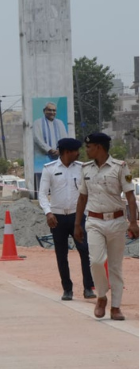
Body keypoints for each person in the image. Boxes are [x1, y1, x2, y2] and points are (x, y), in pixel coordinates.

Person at [74, 133, 138, 321]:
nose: (86, 150)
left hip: (117, 222)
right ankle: (101, 297)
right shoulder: (85, 169)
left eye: (89, 147)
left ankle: (116, 307)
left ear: (99, 147)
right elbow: (82, 197)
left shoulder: (120, 167)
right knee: (95, 261)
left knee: (115, 266)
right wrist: (77, 224)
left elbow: (130, 196)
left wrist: (133, 222)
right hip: (94, 221)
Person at [38, 138, 95, 301]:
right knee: (61, 255)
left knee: (85, 250)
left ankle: (88, 287)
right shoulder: (49, 169)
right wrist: (48, 213)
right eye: (75, 151)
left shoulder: (82, 168)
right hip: (57, 218)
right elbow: (42, 194)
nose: (78, 153)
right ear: (67, 152)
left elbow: (88, 192)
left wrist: (88, 213)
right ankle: (67, 289)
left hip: (78, 216)